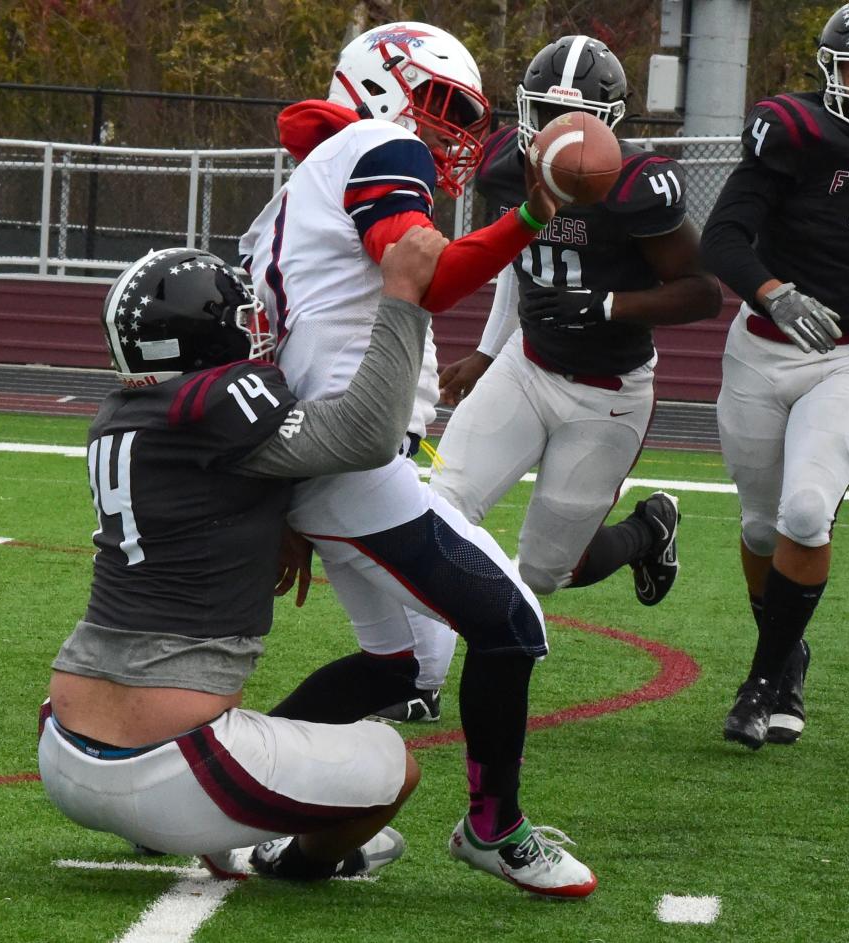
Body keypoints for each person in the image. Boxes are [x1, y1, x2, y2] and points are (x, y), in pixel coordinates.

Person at [240, 21, 597, 897]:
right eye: (437, 103)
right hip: (355, 459)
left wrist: (283, 495)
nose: (446, 130)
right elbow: (423, 272)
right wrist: (532, 213)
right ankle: (494, 826)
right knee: (513, 623)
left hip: (320, 457)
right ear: (375, 82)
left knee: (407, 665)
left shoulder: (292, 195)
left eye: (460, 114)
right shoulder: (376, 141)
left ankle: (223, 788)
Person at [38, 227, 448, 883]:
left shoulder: (122, 415)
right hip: (173, 765)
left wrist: (279, 515)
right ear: (206, 337)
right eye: (238, 321)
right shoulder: (216, 405)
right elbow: (369, 434)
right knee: (394, 763)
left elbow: (207, 495)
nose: (254, 334)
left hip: (61, 749)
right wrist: (402, 295)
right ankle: (298, 862)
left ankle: (188, 821)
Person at [429, 36, 721, 618]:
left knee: (545, 571)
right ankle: (421, 672)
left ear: (611, 122)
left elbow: (704, 293)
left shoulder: (638, 189)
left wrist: (607, 304)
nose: (563, 133)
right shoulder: (504, 166)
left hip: (607, 392)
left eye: (579, 119)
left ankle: (647, 530)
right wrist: (489, 352)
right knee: (438, 509)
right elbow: (518, 256)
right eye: (547, 113)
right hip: (527, 364)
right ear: (525, 109)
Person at [701, 5, 848, 750]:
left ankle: (761, 680)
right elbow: (723, 236)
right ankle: (788, 654)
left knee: (805, 509)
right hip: (762, 345)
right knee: (760, 524)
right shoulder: (796, 131)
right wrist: (774, 292)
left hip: (846, 359)